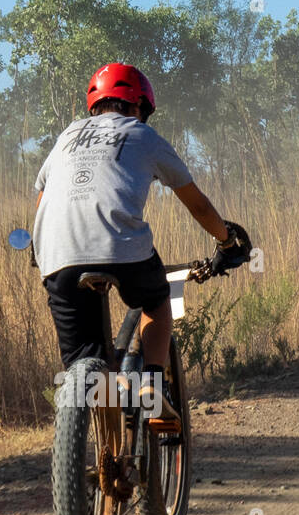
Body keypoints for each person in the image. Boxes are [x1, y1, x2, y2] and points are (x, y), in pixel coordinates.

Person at [32, 62, 250, 427]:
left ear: (95, 105)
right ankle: (150, 386)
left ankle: (97, 449)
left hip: (56, 254)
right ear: (138, 107)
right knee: (155, 299)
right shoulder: (141, 135)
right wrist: (226, 241)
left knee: (87, 366)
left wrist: (42, 252)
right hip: (122, 250)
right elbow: (198, 205)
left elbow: (41, 201)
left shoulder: (67, 136)